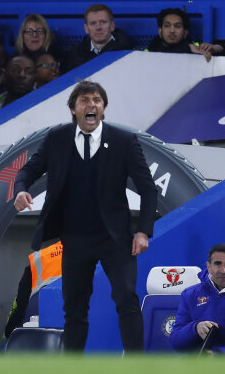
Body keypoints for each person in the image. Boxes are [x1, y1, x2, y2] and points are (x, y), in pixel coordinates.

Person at [12, 80, 159, 352]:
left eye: (97, 101)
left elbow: (148, 188)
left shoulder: (124, 141)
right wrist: (20, 191)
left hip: (116, 239)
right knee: (74, 309)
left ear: (103, 109)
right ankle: (73, 371)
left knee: (126, 298)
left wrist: (143, 231)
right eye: (85, 100)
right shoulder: (57, 139)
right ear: (73, 109)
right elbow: (27, 171)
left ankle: (138, 365)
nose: (91, 105)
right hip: (75, 238)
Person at [64, 4, 134, 70]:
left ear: (112, 26)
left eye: (103, 22)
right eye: (93, 23)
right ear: (86, 28)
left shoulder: (126, 51)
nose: (98, 27)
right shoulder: (76, 53)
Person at [145, 7, 225, 61]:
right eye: (167, 26)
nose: (172, 30)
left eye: (177, 26)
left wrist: (215, 48)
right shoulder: (148, 52)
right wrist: (187, 48)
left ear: (185, 33)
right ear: (160, 31)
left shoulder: (197, 47)